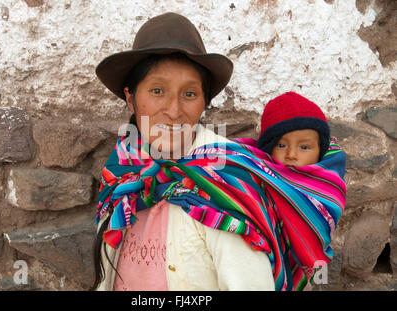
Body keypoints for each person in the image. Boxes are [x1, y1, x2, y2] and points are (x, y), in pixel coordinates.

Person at [92, 12, 346, 292]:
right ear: (130, 98)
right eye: (157, 90)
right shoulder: (122, 171)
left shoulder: (225, 179)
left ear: (203, 102)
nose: (174, 111)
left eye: (189, 94)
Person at [257, 91, 331, 167]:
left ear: (320, 151)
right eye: (281, 145)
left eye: (304, 147)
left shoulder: (331, 176)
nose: (291, 155)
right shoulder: (251, 174)